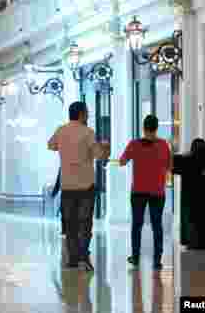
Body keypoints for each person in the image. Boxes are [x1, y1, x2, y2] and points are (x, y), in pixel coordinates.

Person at [48, 101, 109, 271]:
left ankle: (72, 260)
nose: (88, 115)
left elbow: (51, 145)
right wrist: (104, 147)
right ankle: (83, 257)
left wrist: (66, 149)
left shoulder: (61, 130)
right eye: (87, 112)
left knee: (70, 224)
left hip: (67, 185)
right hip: (85, 186)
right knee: (85, 223)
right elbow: (99, 155)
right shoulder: (88, 133)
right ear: (81, 114)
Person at [119, 115, 172, 270]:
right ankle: (157, 260)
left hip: (139, 191)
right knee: (157, 225)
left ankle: (135, 258)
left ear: (143, 127)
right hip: (157, 191)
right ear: (156, 128)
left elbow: (122, 161)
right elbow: (169, 166)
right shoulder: (163, 145)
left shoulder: (134, 144)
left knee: (137, 224)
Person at [174, 138, 205, 250]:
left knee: (190, 220)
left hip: (189, 200)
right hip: (203, 201)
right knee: (203, 221)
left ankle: (191, 242)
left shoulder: (187, 160)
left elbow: (172, 165)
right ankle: (204, 242)